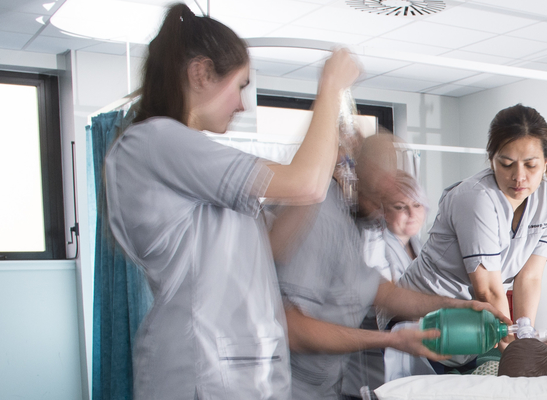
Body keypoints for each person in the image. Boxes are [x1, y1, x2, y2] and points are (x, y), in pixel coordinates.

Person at [104, 4, 360, 399]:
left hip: (238, 368)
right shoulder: (156, 142)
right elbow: (303, 183)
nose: (242, 104)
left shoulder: (191, 160)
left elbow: (271, 245)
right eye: (240, 85)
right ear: (202, 73)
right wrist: (331, 88)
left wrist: (325, 159)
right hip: (199, 369)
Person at [269, 141, 508, 400]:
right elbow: (292, 329)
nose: (381, 212)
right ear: (355, 175)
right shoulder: (319, 220)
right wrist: (392, 341)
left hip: (331, 384)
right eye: (378, 199)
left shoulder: (352, 222)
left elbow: (381, 291)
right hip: (295, 388)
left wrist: (453, 305)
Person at [394, 104, 547, 370]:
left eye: (531, 165)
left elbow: (529, 277)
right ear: (491, 158)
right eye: (506, 164)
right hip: (423, 315)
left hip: (471, 323)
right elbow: (488, 289)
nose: (519, 177)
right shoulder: (475, 198)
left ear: (546, 159)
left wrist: (525, 333)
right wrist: (514, 349)